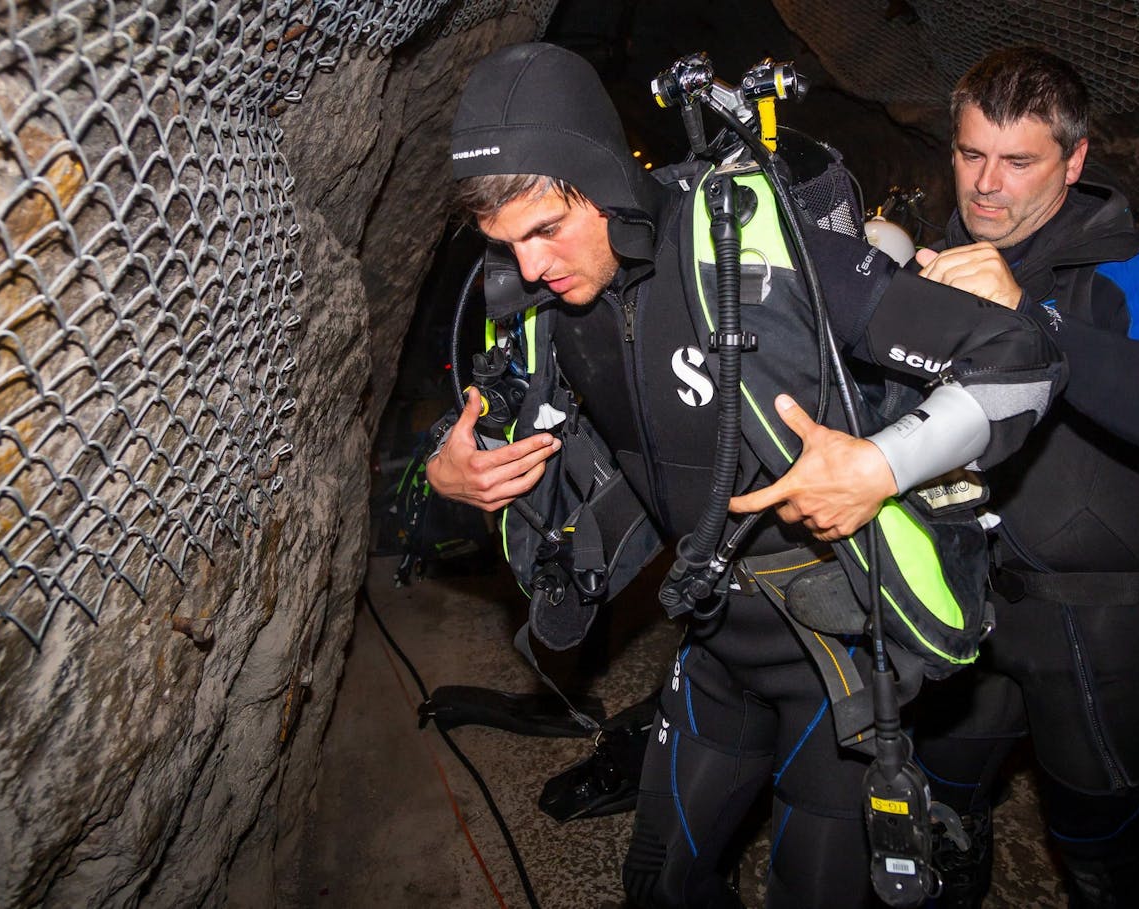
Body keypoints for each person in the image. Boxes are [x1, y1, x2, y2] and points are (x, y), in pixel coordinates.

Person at [428, 43, 1062, 907]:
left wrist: (879, 464)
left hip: (830, 655)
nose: (531, 266)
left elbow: (1021, 360)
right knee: (659, 880)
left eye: (547, 228)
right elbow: (480, 413)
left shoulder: (754, 252)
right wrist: (447, 470)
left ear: (605, 178)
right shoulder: (542, 303)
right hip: (711, 635)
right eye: (506, 244)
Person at [907, 47, 1139, 908]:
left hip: (1109, 629)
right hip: (976, 611)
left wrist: (1032, 320)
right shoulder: (946, 251)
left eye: (1018, 161)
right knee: (935, 824)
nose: (986, 184)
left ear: (1074, 160)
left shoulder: (1128, 264)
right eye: (969, 153)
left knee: (1097, 856)